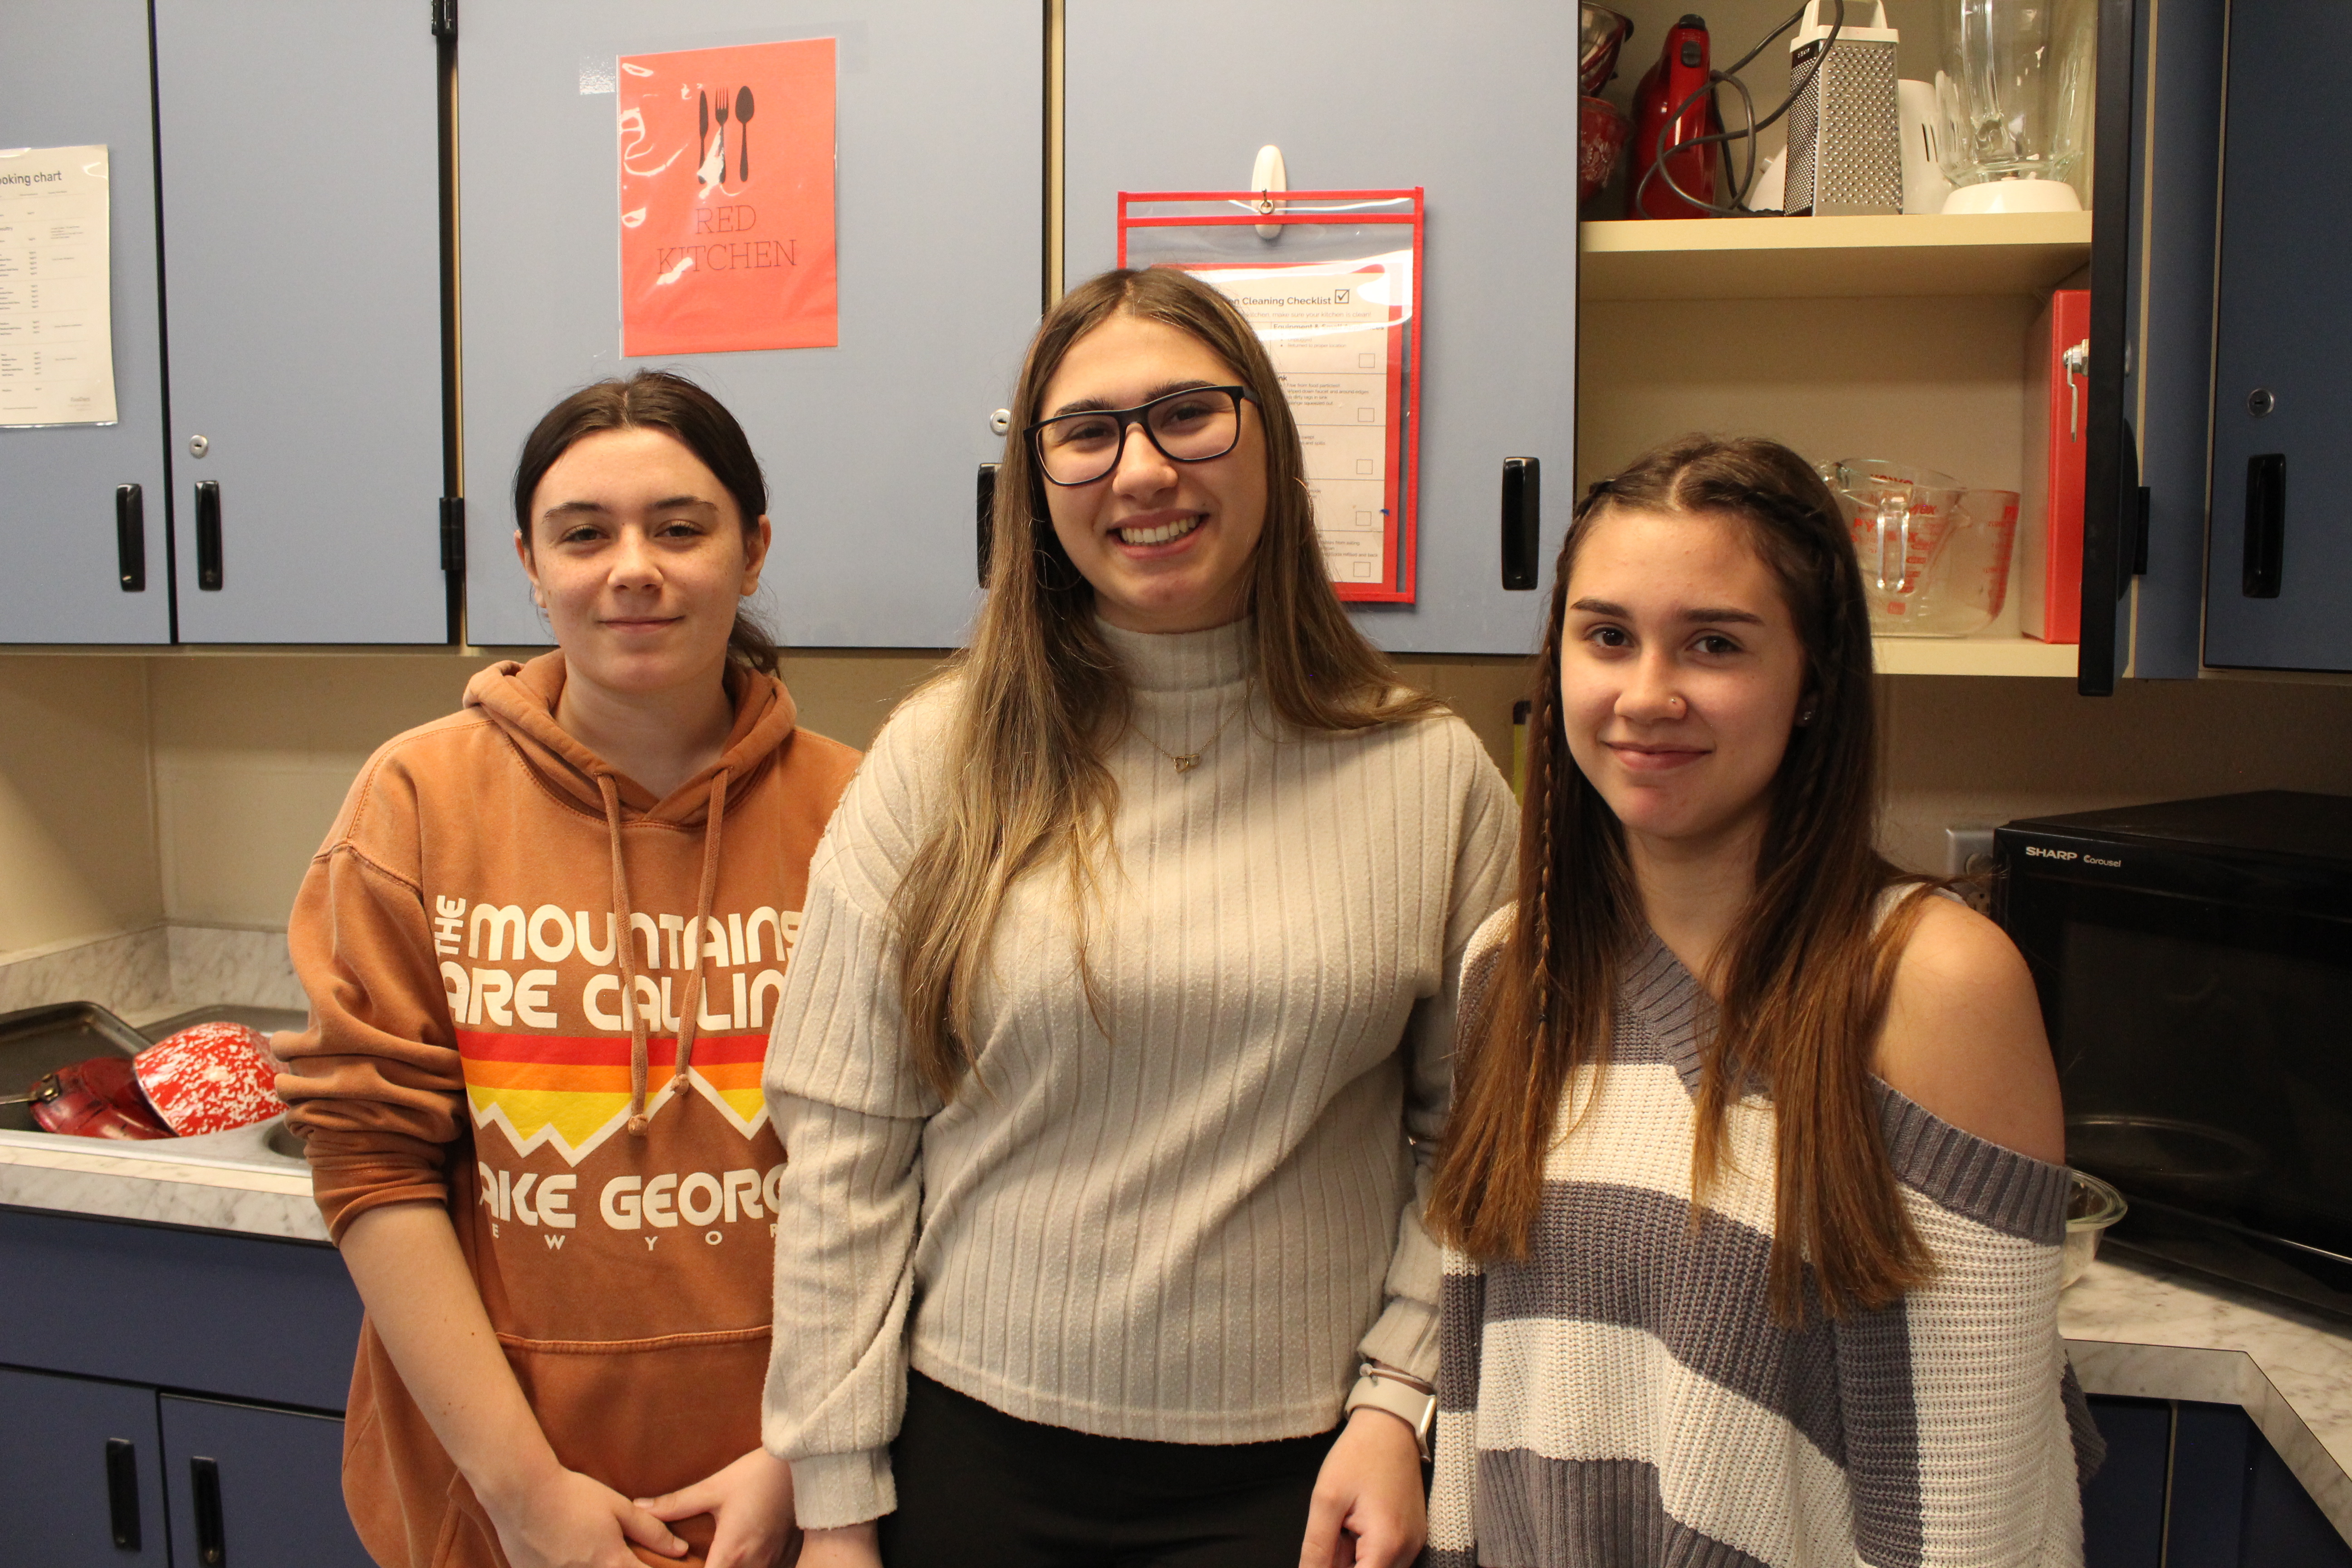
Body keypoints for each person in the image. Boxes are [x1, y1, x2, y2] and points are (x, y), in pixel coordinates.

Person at [758, 267, 1517, 1568]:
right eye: (1089, 432)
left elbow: (1481, 1139)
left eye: (1189, 416)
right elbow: (840, 1153)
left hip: (1302, 1482)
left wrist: (1400, 1400)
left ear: (1267, 442)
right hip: (967, 1461)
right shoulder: (937, 761)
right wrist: (833, 1510)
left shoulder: (1432, 774)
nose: (1144, 470)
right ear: (1037, 486)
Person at [1422, 435, 2098, 1567]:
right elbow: (1480, 1372)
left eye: (1715, 645)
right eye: (1606, 638)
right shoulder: (1514, 966)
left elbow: (1977, 1492)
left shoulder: (1928, 982)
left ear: (1813, 684)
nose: (1647, 696)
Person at [276, 370, 861, 1568]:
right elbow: (371, 1163)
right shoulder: (418, 802)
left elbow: (917, 1174)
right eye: (583, 534)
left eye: (680, 527)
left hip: (796, 1490)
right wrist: (526, 1497)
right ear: (530, 566)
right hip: (497, 1498)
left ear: (752, 553)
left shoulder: (860, 814)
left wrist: (802, 1457)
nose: (631, 567)